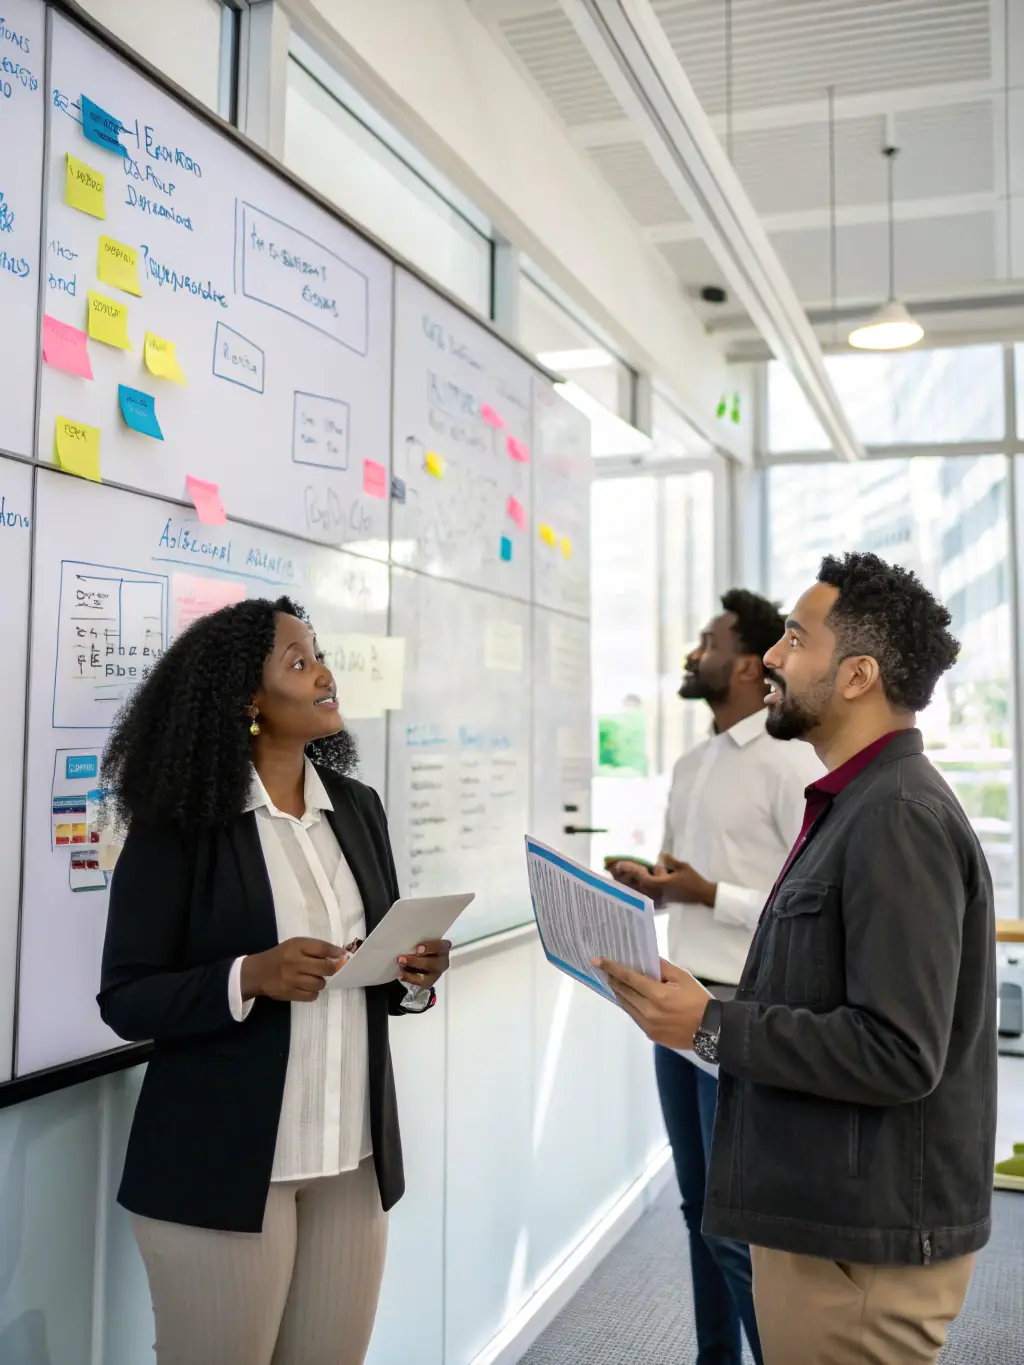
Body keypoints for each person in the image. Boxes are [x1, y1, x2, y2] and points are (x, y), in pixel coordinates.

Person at [598, 553, 996, 1365]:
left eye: (792, 638)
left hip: (862, 1250)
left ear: (856, 675)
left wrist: (713, 1023)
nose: (771, 658)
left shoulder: (898, 817)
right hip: (830, 1219)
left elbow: (898, 1049)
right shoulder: (854, 802)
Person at [98, 596, 450, 1365]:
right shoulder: (180, 822)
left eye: (319, 654)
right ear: (246, 701)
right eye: (300, 661)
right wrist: (249, 975)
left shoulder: (357, 808)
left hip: (350, 1164)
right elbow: (126, 996)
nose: (325, 674)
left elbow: (378, 975)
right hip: (222, 1169)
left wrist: (412, 973)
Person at [607, 589, 822, 1365]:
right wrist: (656, 883)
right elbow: (687, 875)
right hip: (675, 1003)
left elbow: (808, 902)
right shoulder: (692, 763)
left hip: (742, 1009)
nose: (695, 652)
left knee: (736, 1225)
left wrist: (704, 891)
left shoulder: (790, 760)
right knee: (699, 1208)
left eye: (708, 641)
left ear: (743, 663)